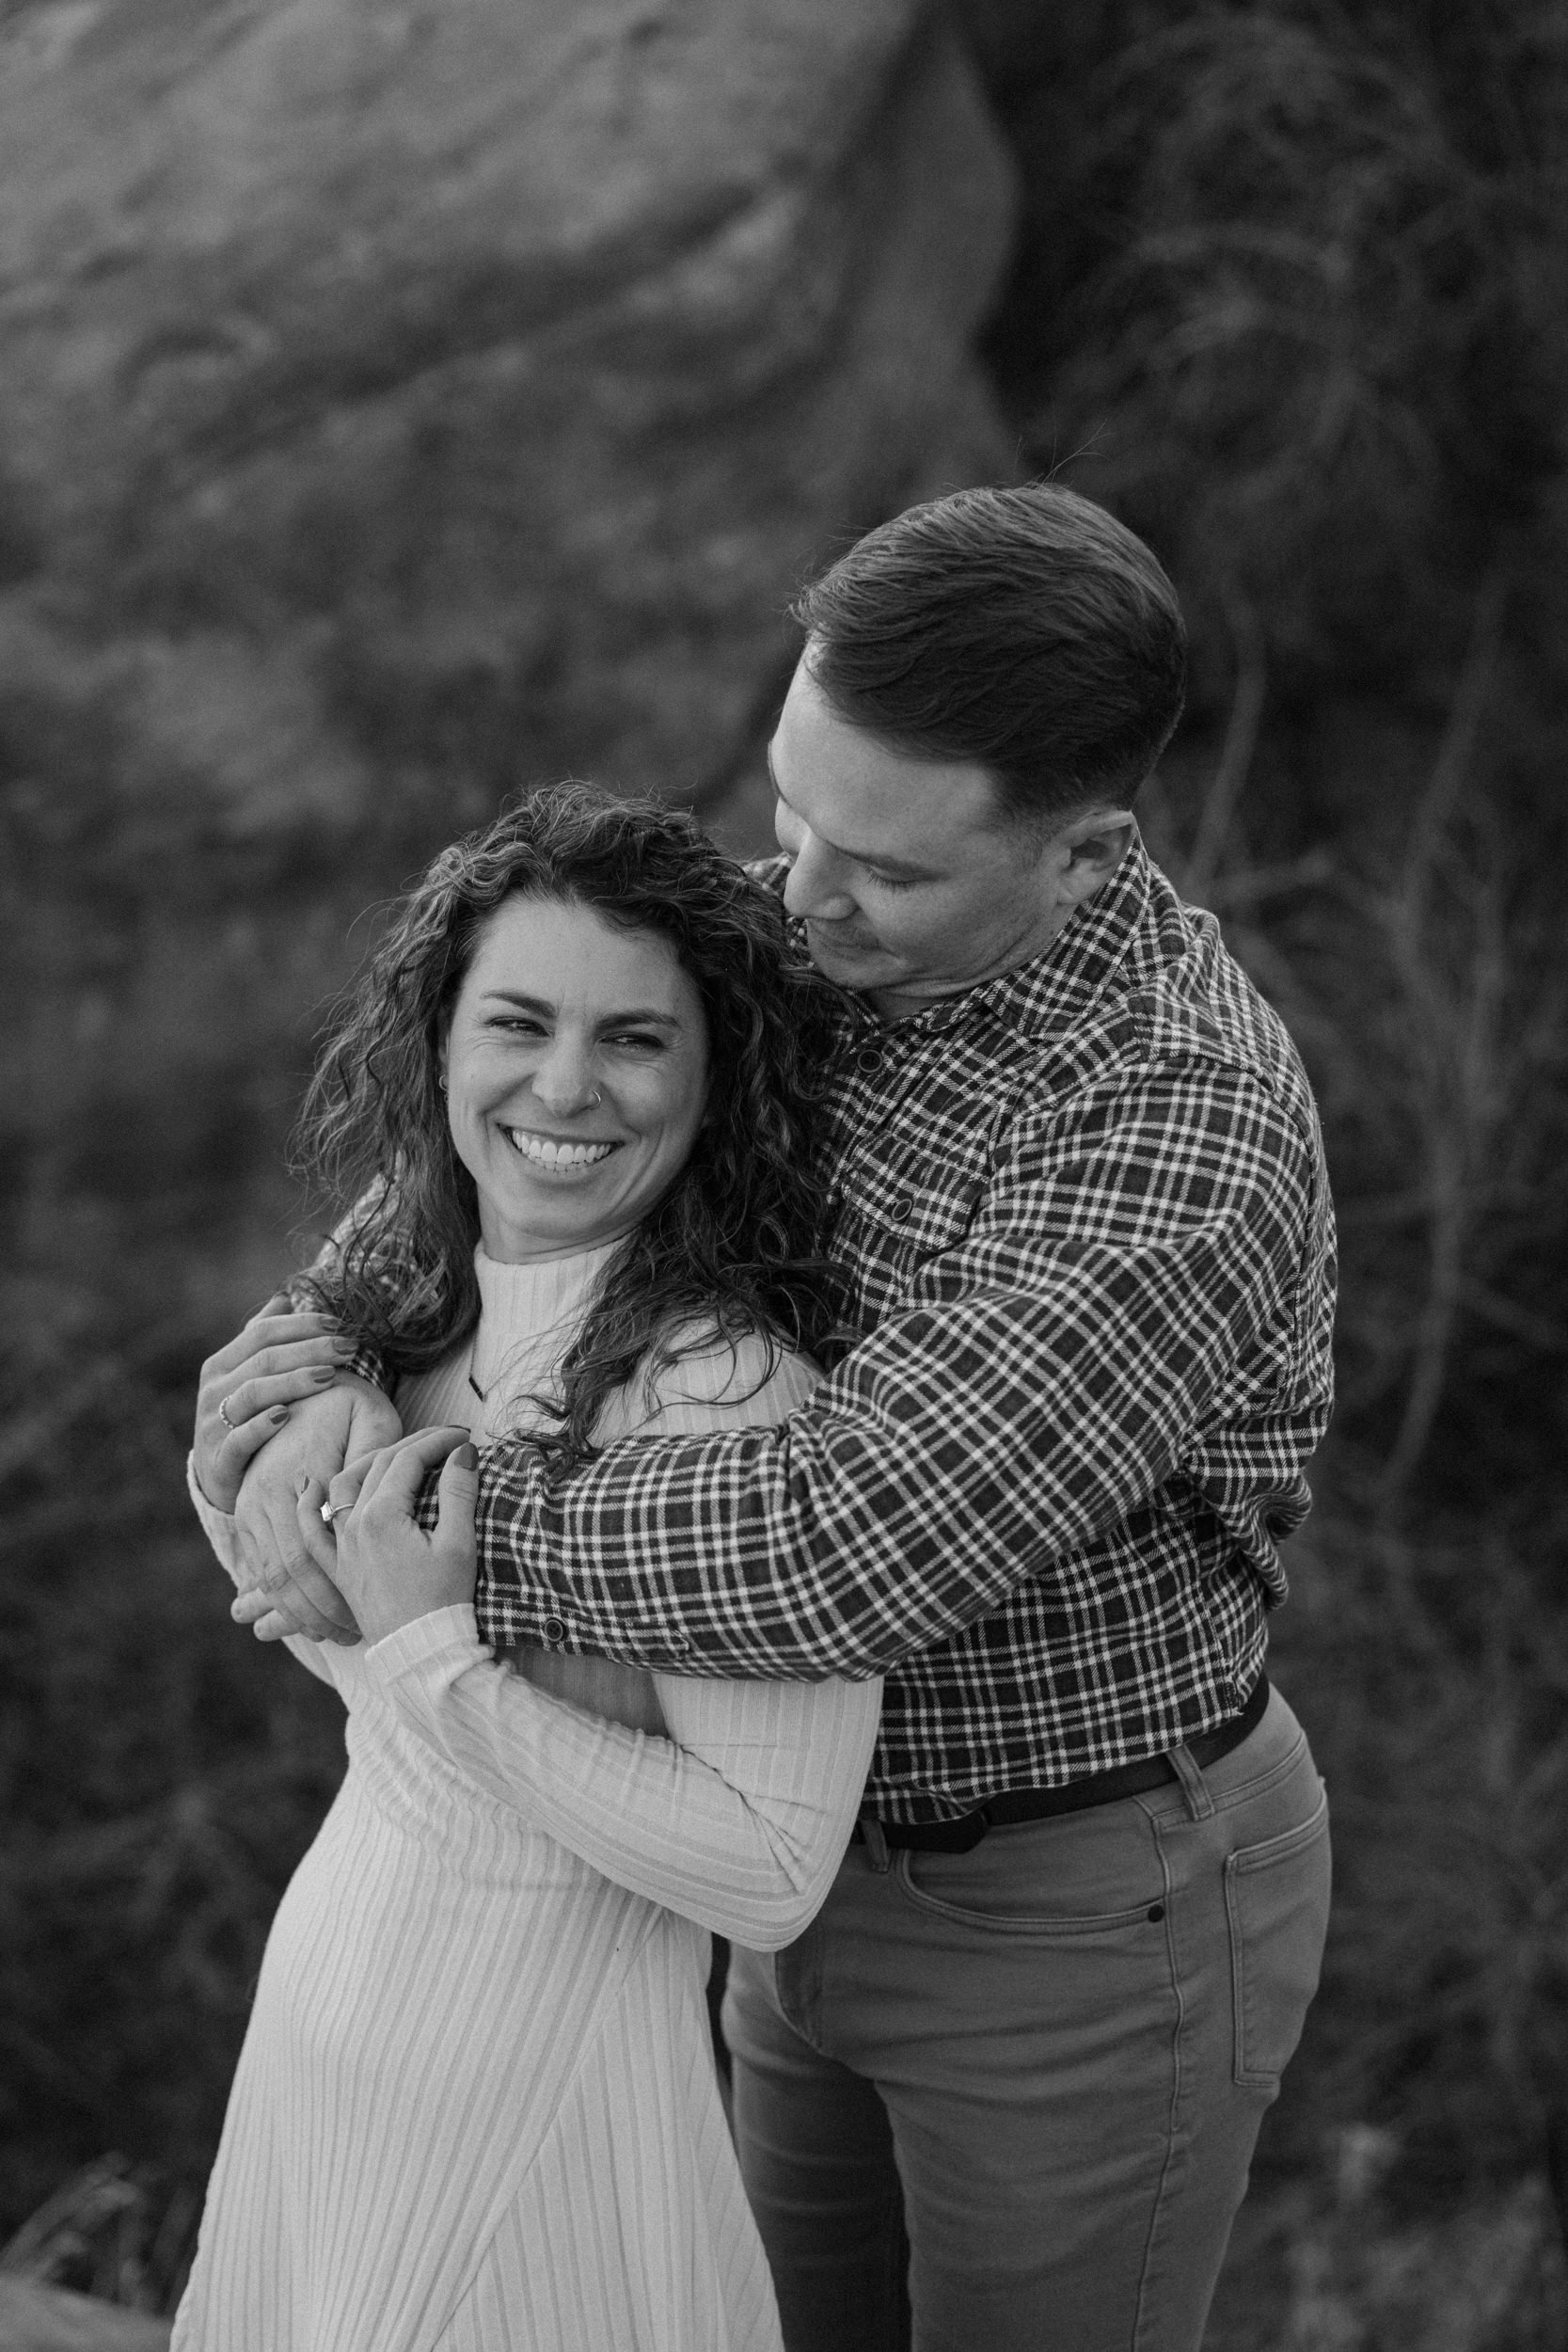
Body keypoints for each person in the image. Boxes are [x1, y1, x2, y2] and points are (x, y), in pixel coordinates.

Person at [227, 483, 1336, 2352]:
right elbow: (414, 1239)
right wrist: (301, 1395)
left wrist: (417, 1531)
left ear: (1084, 855)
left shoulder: (1174, 1116)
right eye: (792, 811)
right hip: (747, 1862)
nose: (798, 894)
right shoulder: (773, 940)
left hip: (1076, 1907)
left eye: (882, 867)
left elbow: (843, 1545)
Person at [178, 790, 882, 2352]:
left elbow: (771, 1872)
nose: (565, 1087)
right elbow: (290, 1591)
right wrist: (270, 1441)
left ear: (715, 1081)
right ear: (439, 1043)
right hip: (324, 2032)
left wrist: (438, 1659)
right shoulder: (410, 1296)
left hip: (532, 2096)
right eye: (518, 1021)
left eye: (633, 1039)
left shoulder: (720, 1391)